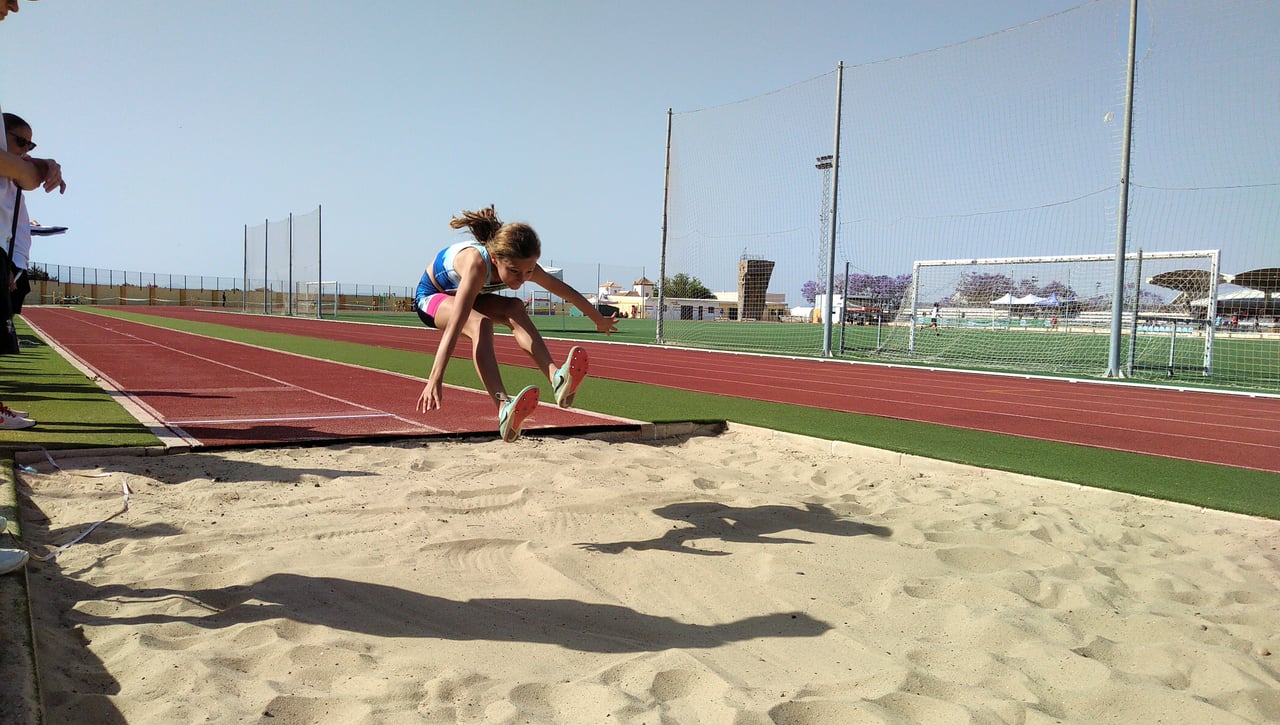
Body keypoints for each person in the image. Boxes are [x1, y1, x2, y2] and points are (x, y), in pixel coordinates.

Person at [414, 205, 616, 442]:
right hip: (431, 298)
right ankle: (503, 407)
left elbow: (564, 291)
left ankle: (557, 378)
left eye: (529, 271)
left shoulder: (523, 265)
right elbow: (456, 324)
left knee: (515, 308)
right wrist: (435, 378)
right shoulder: (476, 265)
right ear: (496, 259)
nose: (522, 279)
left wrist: (598, 319)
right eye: (514, 272)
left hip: (467, 294)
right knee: (481, 325)